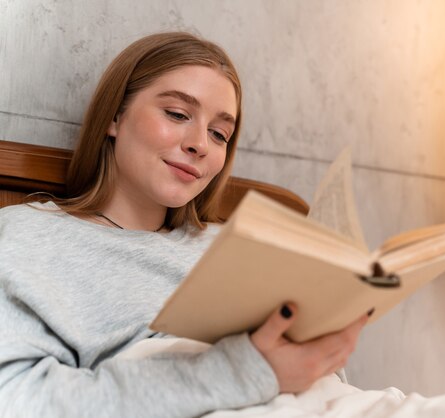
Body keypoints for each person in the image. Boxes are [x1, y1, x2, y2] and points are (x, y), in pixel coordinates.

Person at [0, 32, 369, 417]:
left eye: (219, 133)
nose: (201, 145)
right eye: (177, 114)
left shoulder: (242, 247)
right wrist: (248, 371)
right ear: (115, 115)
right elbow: (18, 401)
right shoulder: (28, 237)